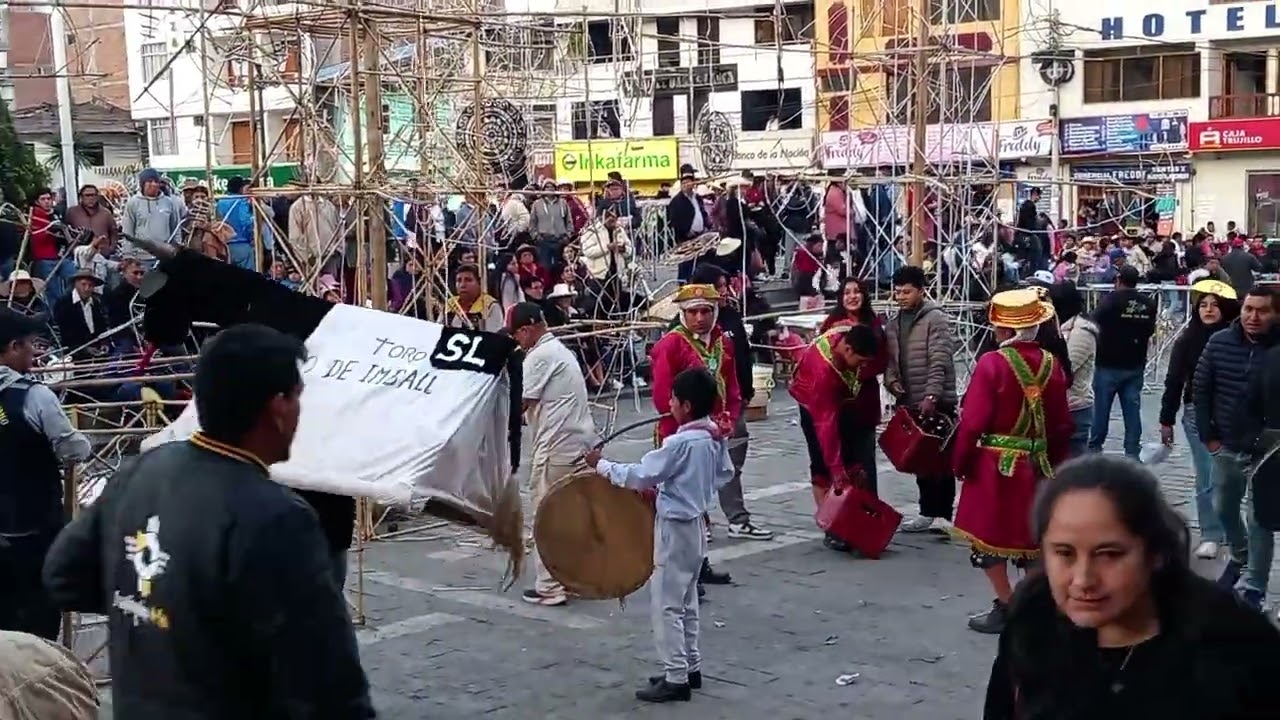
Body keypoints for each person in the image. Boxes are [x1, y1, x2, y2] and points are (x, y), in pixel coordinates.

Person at [42, 324, 374, 718]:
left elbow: (64, 575)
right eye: (298, 398)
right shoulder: (277, 517)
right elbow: (329, 683)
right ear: (278, 406)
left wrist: (147, 609)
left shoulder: (142, 469)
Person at [983, 455, 1280, 719]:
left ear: (1156, 553)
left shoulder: (1236, 648)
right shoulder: (1031, 626)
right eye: (1064, 553)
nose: (1083, 579)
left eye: (1109, 554)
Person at [585, 367, 733, 703]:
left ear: (685, 405)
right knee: (687, 600)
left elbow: (641, 475)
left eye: (673, 399)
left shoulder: (679, 442)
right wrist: (685, 486)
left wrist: (602, 465)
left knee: (667, 604)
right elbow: (725, 473)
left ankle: (676, 676)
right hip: (697, 525)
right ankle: (690, 667)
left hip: (675, 527)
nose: (669, 403)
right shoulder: (712, 435)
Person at [953, 288, 1072, 634]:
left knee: (988, 538)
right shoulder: (1052, 364)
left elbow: (973, 422)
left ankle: (1007, 604)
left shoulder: (992, 363)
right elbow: (1062, 423)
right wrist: (1052, 461)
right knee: (1030, 539)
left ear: (1004, 330)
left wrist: (961, 463)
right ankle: (1035, 604)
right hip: (1037, 463)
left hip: (995, 465)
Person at [0, 309, 90, 640]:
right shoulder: (34, 395)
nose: (34, 352)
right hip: (35, 525)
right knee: (39, 614)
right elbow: (73, 449)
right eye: (28, 345)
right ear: (12, 347)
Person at [1192, 286, 1279, 608]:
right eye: (1248, 309)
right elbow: (1201, 389)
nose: (1253, 317)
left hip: (1268, 450)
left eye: (1262, 311)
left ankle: (1254, 585)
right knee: (1223, 507)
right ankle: (1240, 555)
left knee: (1260, 517)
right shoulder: (1219, 342)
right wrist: (1208, 435)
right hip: (1226, 441)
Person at [649, 283, 740, 590]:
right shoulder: (670, 345)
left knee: (701, 503)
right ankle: (682, 572)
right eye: (693, 312)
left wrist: (729, 418)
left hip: (712, 435)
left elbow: (733, 385)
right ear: (682, 314)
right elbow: (664, 398)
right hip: (680, 436)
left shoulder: (722, 343)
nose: (700, 317)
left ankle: (699, 565)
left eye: (706, 311)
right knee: (678, 506)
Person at [509, 302, 596, 607]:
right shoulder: (560, 351)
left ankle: (550, 586)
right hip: (579, 444)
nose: (517, 341)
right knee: (572, 518)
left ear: (527, 330)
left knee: (547, 517)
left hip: (558, 448)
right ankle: (572, 578)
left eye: (517, 335)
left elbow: (518, 404)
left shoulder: (540, 356)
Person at [687, 265, 772, 540]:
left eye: (725, 286)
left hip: (733, 406)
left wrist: (743, 394)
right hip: (699, 411)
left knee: (732, 463)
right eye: (719, 287)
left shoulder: (731, 317)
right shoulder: (682, 329)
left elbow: (740, 360)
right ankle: (700, 519)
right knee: (696, 466)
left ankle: (737, 518)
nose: (725, 292)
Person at [1158, 279, 1239, 561]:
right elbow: (1174, 380)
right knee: (1207, 477)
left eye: (1214, 305)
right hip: (1197, 415)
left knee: (1232, 476)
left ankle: (1231, 527)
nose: (1207, 310)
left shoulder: (1237, 337)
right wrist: (1166, 418)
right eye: (1203, 305)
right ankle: (1211, 533)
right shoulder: (1188, 339)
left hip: (1234, 415)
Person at [790, 323, 883, 552]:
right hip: (812, 406)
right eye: (861, 362)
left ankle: (852, 520)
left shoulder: (846, 332)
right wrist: (837, 471)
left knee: (852, 460)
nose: (863, 367)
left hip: (841, 402)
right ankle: (832, 527)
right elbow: (826, 427)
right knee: (824, 465)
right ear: (848, 350)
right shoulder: (823, 373)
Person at [884, 265, 958, 533]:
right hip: (909, 401)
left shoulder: (935, 318)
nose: (901, 297)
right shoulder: (893, 323)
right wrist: (892, 383)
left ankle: (943, 514)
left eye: (906, 292)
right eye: (898, 292)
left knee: (941, 459)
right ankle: (926, 512)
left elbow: (940, 359)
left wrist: (932, 395)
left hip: (937, 401)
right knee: (919, 459)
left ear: (920, 291)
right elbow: (890, 361)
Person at [1088, 266, 1156, 458]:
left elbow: (1094, 324)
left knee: (1101, 409)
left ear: (1118, 279)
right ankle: (1132, 451)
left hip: (1108, 363)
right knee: (1132, 410)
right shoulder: (1148, 303)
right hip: (1135, 363)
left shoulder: (1109, 301)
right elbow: (1149, 330)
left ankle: (1095, 447)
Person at [1049, 282, 1097, 458]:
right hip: (1059, 406)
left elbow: (1065, 368)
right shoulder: (1061, 326)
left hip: (1075, 407)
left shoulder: (1082, 331)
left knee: (1073, 470)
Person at [444, 263, 504, 332]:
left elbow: (493, 337)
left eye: (468, 280)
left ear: (480, 283)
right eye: (459, 280)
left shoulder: (490, 306)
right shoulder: (450, 304)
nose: (462, 285)